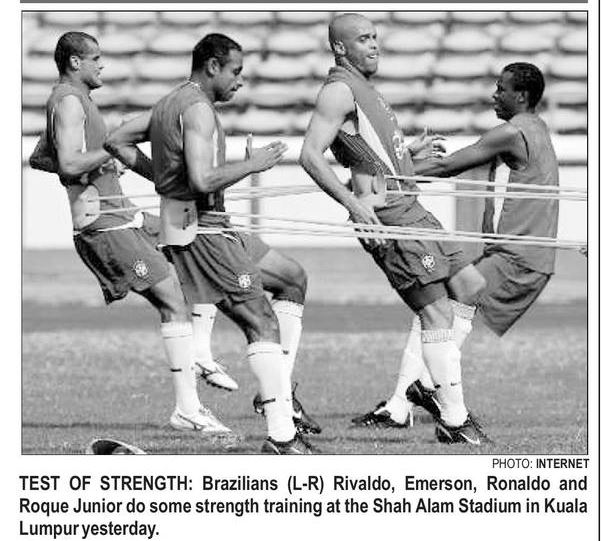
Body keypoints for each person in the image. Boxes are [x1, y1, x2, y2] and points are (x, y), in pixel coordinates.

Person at [104, 33, 315, 453]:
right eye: (236, 71)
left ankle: (280, 398)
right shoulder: (198, 109)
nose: (240, 80)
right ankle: (281, 435)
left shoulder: (169, 104)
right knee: (261, 321)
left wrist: (165, 178)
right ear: (213, 66)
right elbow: (201, 181)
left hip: (211, 224)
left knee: (292, 279)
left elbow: (116, 140)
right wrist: (252, 165)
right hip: (204, 229)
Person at [30, 31, 231, 436]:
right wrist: (110, 149)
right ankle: (187, 409)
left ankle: (200, 354)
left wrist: (101, 163)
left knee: (194, 240)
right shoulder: (69, 101)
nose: (102, 65)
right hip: (105, 224)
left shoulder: (72, 100)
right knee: (173, 300)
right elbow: (68, 163)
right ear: (75, 62)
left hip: (124, 216)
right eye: (96, 58)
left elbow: (40, 158)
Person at [300, 13, 487, 445]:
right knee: (436, 313)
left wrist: (408, 155)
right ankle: (455, 421)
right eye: (364, 39)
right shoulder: (339, 91)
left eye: (375, 37)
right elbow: (309, 155)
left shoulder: (367, 90)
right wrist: (353, 204)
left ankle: (421, 387)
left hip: (411, 207)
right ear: (340, 48)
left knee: (470, 286)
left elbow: (372, 159)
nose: (374, 45)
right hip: (390, 217)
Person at [352, 63, 562, 427]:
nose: (494, 95)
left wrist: (384, 175)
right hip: (525, 253)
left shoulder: (512, 132)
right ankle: (406, 401)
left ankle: (422, 395)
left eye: (501, 89)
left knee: (443, 302)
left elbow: (447, 166)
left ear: (522, 96)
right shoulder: (535, 127)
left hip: (520, 255)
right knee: (439, 302)